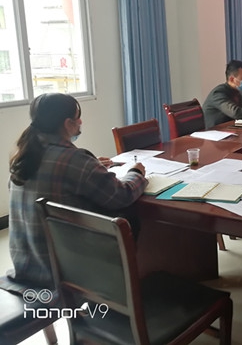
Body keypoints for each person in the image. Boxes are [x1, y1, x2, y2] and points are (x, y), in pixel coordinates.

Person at [6, 93, 147, 289]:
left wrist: (93, 166)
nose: (81, 122)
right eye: (77, 117)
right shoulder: (74, 159)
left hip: (27, 265)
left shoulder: (23, 156)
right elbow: (121, 195)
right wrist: (136, 173)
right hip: (65, 269)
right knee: (128, 217)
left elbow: (61, 172)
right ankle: (124, 285)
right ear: (67, 123)